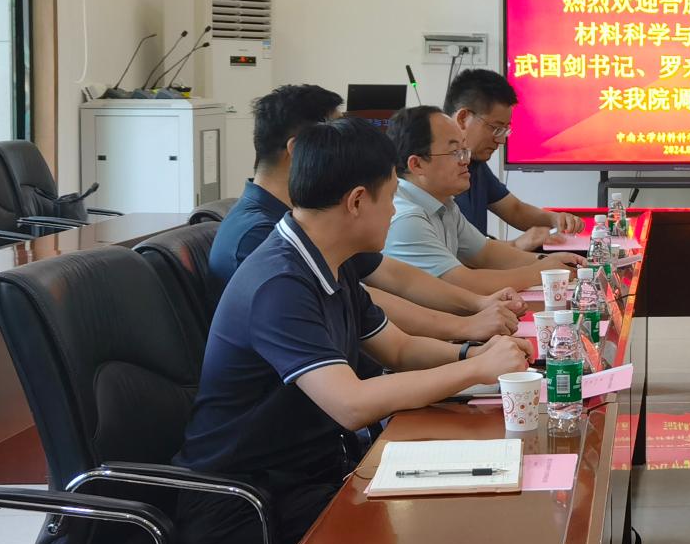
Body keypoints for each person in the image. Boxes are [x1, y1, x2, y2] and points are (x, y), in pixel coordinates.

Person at [178, 119, 531, 544]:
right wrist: (476, 368)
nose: (394, 213)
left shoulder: (332, 260)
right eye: (392, 198)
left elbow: (399, 348)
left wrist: (473, 353)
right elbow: (351, 404)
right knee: (438, 537)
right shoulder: (278, 283)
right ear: (358, 201)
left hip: (308, 474)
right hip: (245, 502)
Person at [211, 84, 518, 342]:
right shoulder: (260, 236)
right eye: (335, 133)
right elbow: (365, 303)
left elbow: (395, 276)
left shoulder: (314, 220)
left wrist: (478, 303)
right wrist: (466, 327)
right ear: (299, 150)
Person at [383, 108, 569, 293]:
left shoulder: (445, 204)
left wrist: (548, 261)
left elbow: (485, 253)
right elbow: (463, 283)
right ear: (417, 164)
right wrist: (543, 272)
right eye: (455, 152)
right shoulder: (406, 218)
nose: (466, 160)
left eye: (464, 150)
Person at [443, 68, 585, 245]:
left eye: (505, 130)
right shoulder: (435, 174)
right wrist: (516, 245)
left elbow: (514, 210)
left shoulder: (475, 164)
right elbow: (460, 252)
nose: (501, 140)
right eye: (496, 128)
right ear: (463, 118)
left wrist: (555, 219)